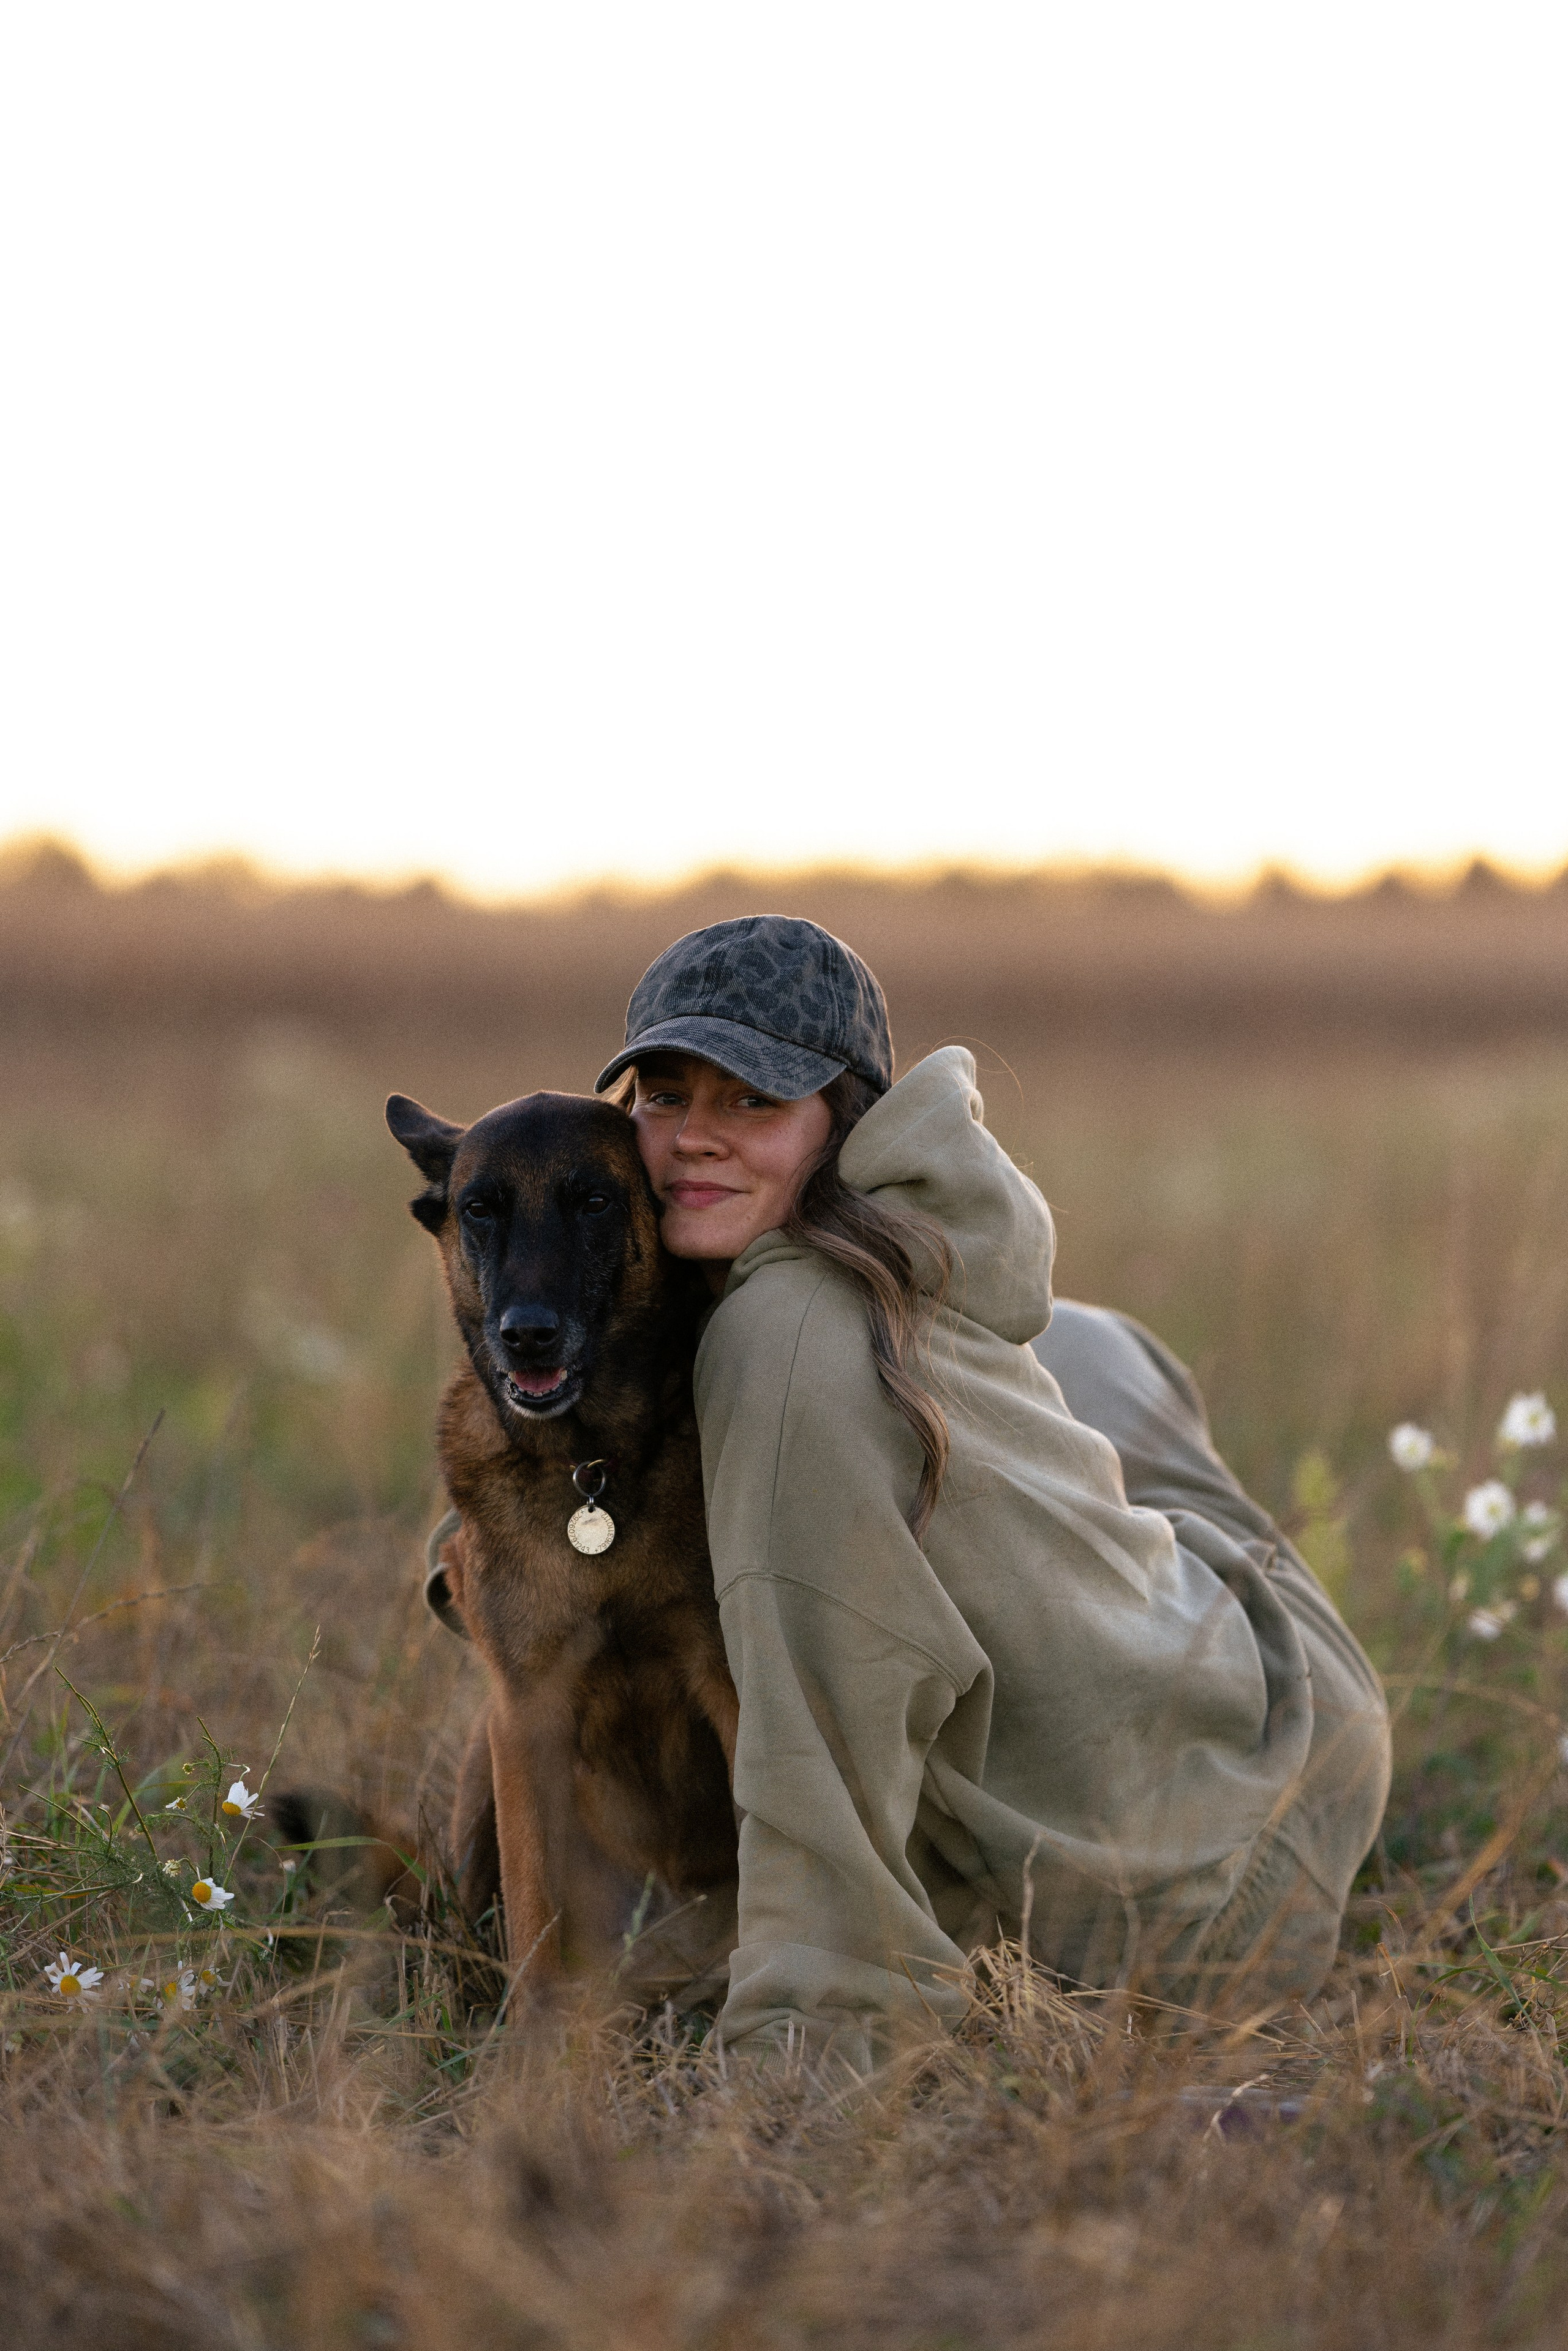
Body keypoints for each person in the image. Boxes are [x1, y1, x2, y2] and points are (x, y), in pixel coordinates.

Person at [584, 913, 1392, 2069]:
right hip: (1246, 1709)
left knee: (1088, 1361)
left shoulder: (788, 1339)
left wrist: (811, 2033)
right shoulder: (842, 1260)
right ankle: (1102, 1514)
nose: (698, 1140)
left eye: (753, 1103)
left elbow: (824, 1710)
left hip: (1208, 1889)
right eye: (667, 1097)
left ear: (843, 1122)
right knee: (1092, 1347)